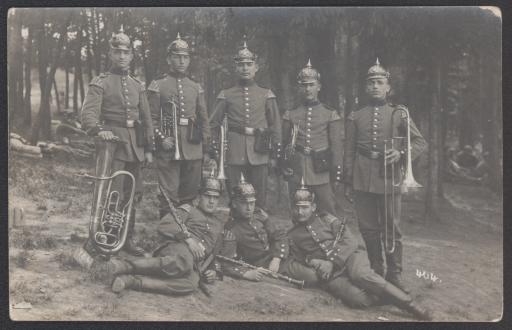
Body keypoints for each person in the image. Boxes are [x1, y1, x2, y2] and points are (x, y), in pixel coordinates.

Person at [285, 182, 432, 320]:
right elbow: (298, 259)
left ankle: (410, 305)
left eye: (305, 207)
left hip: (350, 256)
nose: (300, 212)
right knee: (358, 300)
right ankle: (387, 294)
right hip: (330, 275)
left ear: (313, 207)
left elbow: (350, 241)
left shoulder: (327, 220)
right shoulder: (293, 235)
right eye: (297, 208)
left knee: (360, 275)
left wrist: (332, 262)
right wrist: (312, 261)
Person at [343, 58, 427, 292]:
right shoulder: (355, 116)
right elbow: (348, 151)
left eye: (379, 82)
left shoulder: (399, 114)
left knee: (392, 228)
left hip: (389, 177)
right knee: (368, 228)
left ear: (388, 88)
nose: (374, 87)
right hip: (361, 177)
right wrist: (348, 181)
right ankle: (376, 271)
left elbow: (420, 142)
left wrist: (400, 153)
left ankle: (394, 274)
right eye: (370, 83)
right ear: (365, 87)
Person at [81, 27, 154, 256]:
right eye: (117, 52)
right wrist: (98, 130)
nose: (122, 56)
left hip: (136, 146)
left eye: (126, 52)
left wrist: (150, 148)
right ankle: (103, 238)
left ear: (132, 55)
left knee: (133, 194)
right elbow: (88, 115)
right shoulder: (101, 82)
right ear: (110, 55)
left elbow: (146, 118)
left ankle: (126, 239)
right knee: (112, 193)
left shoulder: (137, 85)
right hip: (113, 145)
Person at [91, 174, 226, 296]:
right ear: (199, 197)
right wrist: (189, 240)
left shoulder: (219, 225)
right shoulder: (188, 210)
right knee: (183, 262)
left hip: (194, 264)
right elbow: (165, 225)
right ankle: (124, 265)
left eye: (215, 197)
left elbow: (214, 253)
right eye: (208, 196)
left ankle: (131, 282)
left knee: (190, 284)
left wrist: (214, 270)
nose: (211, 201)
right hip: (179, 248)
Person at [210, 38, 281, 212]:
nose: (245, 68)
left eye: (249, 64)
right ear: (236, 68)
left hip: (260, 152)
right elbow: (213, 124)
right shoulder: (226, 95)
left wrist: (274, 154)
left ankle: (259, 233)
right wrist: (215, 151)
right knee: (236, 196)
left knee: (259, 198)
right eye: (241, 65)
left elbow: (275, 126)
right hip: (234, 152)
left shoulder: (266, 95)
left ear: (256, 68)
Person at [147, 33, 211, 217]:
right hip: (169, 147)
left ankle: (186, 233)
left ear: (189, 60)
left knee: (189, 195)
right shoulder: (157, 86)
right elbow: (150, 118)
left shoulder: (195, 87)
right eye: (177, 57)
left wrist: (206, 149)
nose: (181, 61)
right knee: (168, 195)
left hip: (193, 147)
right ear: (169, 59)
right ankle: (167, 236)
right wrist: (161, 139)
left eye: (185, 57)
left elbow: (203, 119)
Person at [280, 59, 342, 216]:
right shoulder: (291, 114)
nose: (307, 89)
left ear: (319, 87)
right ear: (299, 88)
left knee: (327, 211)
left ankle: (330, 240)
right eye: (304, 85)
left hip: (321, 170)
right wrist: (283, 165)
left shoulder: (330, 114)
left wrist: (336, 174)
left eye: (311, 85)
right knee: (298, 211)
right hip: (297, 170)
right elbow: (284, 143)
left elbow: (336, 147)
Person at [219, 174, 289, 282]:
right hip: (261, 265)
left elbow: (279, 234)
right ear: (234, 204)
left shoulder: (259, 214)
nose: (249, 208)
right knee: (310, 276)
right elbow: (226, 263)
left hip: (276, 255)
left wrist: (276, 259)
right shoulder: (231, 229)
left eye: (252, 203)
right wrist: (245, 273)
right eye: (244, 203)